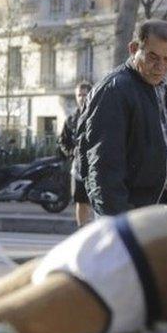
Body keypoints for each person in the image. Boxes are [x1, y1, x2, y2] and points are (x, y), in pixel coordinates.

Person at [80, 19, 167, 215]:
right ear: (133, 49)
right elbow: (103, 164)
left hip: (154, 208)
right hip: (127, 214)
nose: (161, 67)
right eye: (153, 57)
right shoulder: (115, 90)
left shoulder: (157, 87)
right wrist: (119, 219)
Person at [58, 82, 93, 227]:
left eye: (85, 94)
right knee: (81, 201)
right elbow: (62, 141)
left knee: (98, 202)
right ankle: (82, 231)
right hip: (78, 168)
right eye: (79, 95)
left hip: (97, 167)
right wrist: (72, 153)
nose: (82, 98)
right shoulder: (71, 119)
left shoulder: (100, 114)